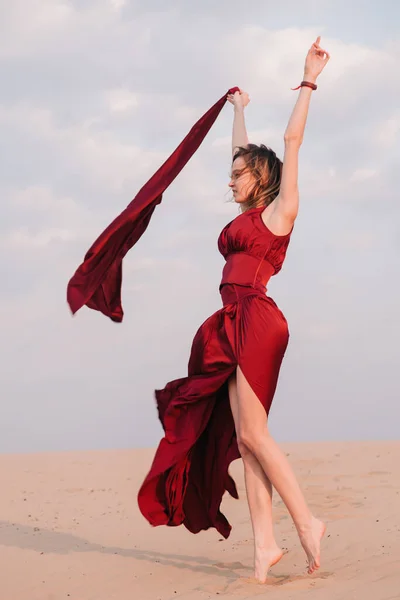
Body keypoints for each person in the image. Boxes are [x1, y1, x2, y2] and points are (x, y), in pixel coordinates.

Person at [137, 36, 330, 583]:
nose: (231, 178)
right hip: (228, 320)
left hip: (258, 320)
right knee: (245, 439)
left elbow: (292, 140)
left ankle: (307, 521)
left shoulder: (281, 212)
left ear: (262, 177)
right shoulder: (248, 212)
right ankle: (264, 547)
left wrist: (308, 79)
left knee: (256, 436)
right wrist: (239, 112)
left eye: (241, 173)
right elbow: (236, 156)